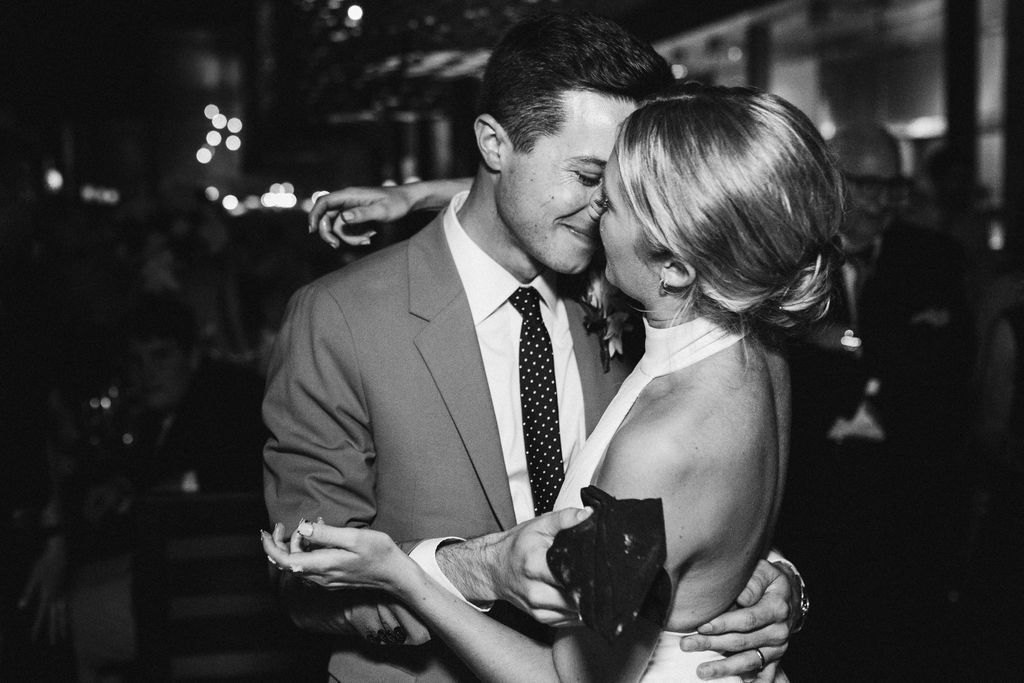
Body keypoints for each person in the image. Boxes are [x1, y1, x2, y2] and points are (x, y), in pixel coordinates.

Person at [263, 13, 804, 683]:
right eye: (590, 177)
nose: (606, 204)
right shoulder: (338, 319)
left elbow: (706, 477)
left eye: (624, 188)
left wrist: (770, 574)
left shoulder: (633, 287)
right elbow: (302, 576)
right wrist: (477, 566)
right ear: (494, 143)